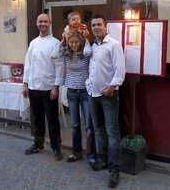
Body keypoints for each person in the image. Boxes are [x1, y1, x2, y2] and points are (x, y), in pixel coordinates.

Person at [85, 15, 125, 188]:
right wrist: (88, 84)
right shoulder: (92, 47)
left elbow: (120, 69)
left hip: (108, 95)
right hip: (93, 94)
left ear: (105, 26)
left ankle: (114, 171)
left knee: (112, 133)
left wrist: (113, 86)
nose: (96, 27)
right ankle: (103, 161)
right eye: (93, 25)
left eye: (99, 24)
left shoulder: (114, 45)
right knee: (98, 130)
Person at [22, 13, 64, 161]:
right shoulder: (33, 43)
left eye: (45, 21)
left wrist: (56, 86)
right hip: (33, 87)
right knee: (37, 119)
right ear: (36, 23)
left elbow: (59, 67)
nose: (43, 24)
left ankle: (56, 147)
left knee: (52, 119)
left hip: (49, 88)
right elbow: (28, 64)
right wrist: (25, 84)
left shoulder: (56, 43)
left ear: (50, 23)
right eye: (40, 21)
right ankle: (38, 144)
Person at [55, 31, 96, 165]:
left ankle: (91, 154)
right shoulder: (66, 54)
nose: (73, 44)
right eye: (71, 42)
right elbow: (54, 54)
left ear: (81, 42)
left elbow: (89, 51)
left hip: (85, 92)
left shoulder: (85, 54)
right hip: (72, 92)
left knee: (88, 125)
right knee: (75, 124)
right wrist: (63, 39)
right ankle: (77, 152)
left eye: (76, 42)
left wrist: (86, 39)